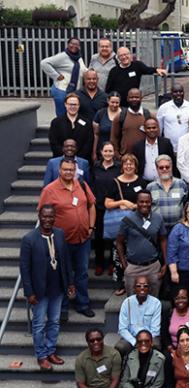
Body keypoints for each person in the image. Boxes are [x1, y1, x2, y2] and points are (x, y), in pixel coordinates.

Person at [38, 158, 96, 318]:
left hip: (83, 238)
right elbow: (42, 214)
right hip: (60, 242)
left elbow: (91, 205)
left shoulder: (82, 185)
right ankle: (61, 307)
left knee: (82, 272)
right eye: (65, 170)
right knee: (62, 274)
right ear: (59, 170)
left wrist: (91, 227)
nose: (69, 172)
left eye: (71, 170)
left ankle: (82, 304)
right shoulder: (50, 190)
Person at [20, 205, 76, 370]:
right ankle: (41, 356)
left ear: (55, 217)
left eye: (51, 216)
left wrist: (70, 283)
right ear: (39, 216)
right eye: (44, 216)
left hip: (57, 288)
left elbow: (65, 260)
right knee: (38, 325)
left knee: (54, 322)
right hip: (38, 291)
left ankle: (51, 350)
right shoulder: (29, 239)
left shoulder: (59, 234)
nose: (47, 220)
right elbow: (24, 269)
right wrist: (29, 292)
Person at [104, 153, 148, 294]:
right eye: (126, 164)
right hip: (119, 226)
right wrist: (122, 202)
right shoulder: (114, 182)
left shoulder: (141, 182)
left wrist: (134, 206)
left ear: (136, 166)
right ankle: (120, 284)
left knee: (135, 254)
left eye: (131, 164)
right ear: (122, 166)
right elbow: (107, 203)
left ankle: (136, 283)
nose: (128, 166)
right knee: (118, 254)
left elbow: (146, 203)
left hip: (137, 225)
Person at [116, 190, 168, 297]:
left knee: (153, 300)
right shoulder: (127, 220)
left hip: (153, 266)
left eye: (147, 202)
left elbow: (163, 240)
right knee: (133, 300)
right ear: (137, 202)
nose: (144, 204)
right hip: (133, 266)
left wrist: (165, 263)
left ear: (151, 202)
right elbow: (119, 242)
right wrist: (124, 263)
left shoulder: (158, 218)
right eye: (141, 201)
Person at [92, 142, 120, 276]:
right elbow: (91, 184)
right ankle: (99, 263)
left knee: (114, 238)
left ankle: (112, 263)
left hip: (114, 207)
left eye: (110, 151)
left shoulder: (119, 167)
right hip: (98, 207)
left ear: (114, 152)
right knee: (98, 237)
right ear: (101, 152)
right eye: (106, 151)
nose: (108, 154)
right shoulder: (95, 166)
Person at [41, 37, 87, 117]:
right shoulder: (63, 56)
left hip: (73, 90)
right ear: (68, 44)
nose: (74, 46)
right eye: (72, 43)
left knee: (72, 114)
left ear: (79, 47)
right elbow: (44, 63)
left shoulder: (78, 58)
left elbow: (83, 70)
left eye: (77, 44)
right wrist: (56, 76)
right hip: (61, 90)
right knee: (62, 115)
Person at [116, 277, 162, 356]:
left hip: (149, 337)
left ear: (149, 289)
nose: (142, 288)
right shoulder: (127, 303)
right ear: (134, 288)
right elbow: (122, 329)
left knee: (156, 345)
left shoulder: (156, 303)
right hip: (131, 337)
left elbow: (155, 330)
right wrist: (135, 342)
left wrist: (144, 341)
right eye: (138, 286)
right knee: (120, 347)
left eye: (145, 286)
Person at [147, 154, 188, 231]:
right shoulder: (150, 187)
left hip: (178, 227)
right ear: (157, 169)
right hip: (158, 228)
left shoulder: (181, 184)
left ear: (171, 167)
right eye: (161, 167)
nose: (164, 169)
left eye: (167, 167)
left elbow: (186, 203)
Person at [48, 93, 94, 161]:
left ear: (79, 105)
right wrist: (65, 157)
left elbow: (88, 143)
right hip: (61, 160)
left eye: (75, 104)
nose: (73, 107)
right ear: (65, 105)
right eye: (70, 104)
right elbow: (54, 142)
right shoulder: (56, 122)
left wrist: (77, 158)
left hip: (81, 159)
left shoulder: (87, 123)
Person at [110, 88, 153, 156]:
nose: (134, 99)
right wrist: (118, 156)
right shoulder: (120, 117)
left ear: (141, 98)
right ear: (127, 98)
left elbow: (155, 136)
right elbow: (114, 138)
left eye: (136, 97)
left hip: (145, 157)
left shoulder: (149, 116)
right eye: (131, 97)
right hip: (126, 159)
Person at [132, 118, 176, 182]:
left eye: (154, 127)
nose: (151, 130)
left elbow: (172, 163)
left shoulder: (166, 143)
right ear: (144, 129)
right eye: (149, 128)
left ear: (158, 128)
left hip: (164, 182)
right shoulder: (138, 146)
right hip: (144, 183)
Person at [156, 84, 189, 152]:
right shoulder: (163, 108)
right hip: (168, 148)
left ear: (184, 93)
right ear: (171, 93)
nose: (178, 94)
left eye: (180, 91)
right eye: (175, 92)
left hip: (187, 147)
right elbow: (159, 129)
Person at [161, 288, 189, 353]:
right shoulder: (168, 314)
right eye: (177, 298)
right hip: (173, 350)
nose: (180, 301)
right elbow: (164, 335)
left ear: (188, 299)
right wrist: (172, 350)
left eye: (183, 298)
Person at [93, 91, 122, 158]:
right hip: (103, 152)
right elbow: (96, 134)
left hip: (118, 153)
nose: (114, 105)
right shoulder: (100, 113)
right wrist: (94, 152)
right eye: (112, 102)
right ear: (108, 101)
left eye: (117, 103)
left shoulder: (124, 114)